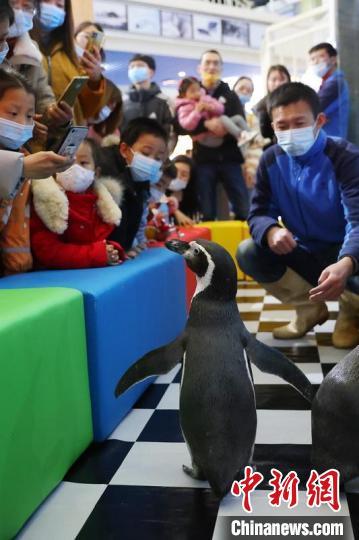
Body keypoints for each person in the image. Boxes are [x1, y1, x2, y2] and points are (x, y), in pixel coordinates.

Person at [236, 82, 359, 349]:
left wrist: (348, 262)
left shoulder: (345, 157)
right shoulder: (270, 160)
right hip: (304, 252)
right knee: (249, 251)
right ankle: (309, 309)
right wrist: (271, 230)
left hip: (345, 254)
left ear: (319, 120)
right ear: (273, 125)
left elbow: (357, 221)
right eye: (282, 125)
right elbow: (258, 213)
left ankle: (352, 310)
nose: (291, 132)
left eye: (299, 122)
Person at [174, 49, 249, 222]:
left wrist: (224, 128)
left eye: (216, 63)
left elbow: (240, 122)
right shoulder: (189, 93)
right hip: (203, 160)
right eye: (207, 62)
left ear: (221, 68)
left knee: (243, 208)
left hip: (231, 158)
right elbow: (179, 125)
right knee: (206, 211)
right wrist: (205, 125)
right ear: (199, 67)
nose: (212, 66)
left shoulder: (230, 95)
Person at [30, 138, 126, 269]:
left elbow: (94, 243)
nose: (74, 167)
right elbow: (48, 251)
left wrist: (110, 249)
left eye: (83, 162)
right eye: (67, 161)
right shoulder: (46, 201)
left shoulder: (99, 205)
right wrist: (98, 253)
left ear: (96, 172)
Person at [97, 117, 168, 255]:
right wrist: (117, 249)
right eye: (146, 153)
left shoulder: (141, 177)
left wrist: (130, 245)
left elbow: (136, 216)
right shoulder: (105, 167)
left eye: (158, 158)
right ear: (124, 149)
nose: (152, 162)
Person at [4, 0, 72, 140]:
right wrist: (19, 123)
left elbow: (44, 99)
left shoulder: (32, 51)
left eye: (27, 7)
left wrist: (57, 116)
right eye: (13, 5)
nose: (19, 12)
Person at [31, 0, 105, 126]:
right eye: (47, 1)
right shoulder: (19, 45)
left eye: (60, 5)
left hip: (66, 140)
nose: (53, 8)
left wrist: (95, 80)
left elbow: (86, 111)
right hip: (26, 138)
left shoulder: (72, 55)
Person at [0, 67, 35, 275]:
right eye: (13, 113)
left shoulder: (26, 158)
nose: (22, 123)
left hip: (15, 273)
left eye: (29, 116)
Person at [175, 76, 248, 148]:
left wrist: (211, 108)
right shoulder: (184, 107)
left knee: (238, 118)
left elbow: (221, 109)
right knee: (223, 118)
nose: (197, 93)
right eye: (192, 91)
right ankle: (240, 136)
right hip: (205, 138)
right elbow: (186, 125)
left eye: (198, 90)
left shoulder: (206, 98)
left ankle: (250, 134)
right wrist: (197, 112)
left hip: (223, 135)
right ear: (184, 94)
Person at [121, 54, 173, 139]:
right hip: (127, 150)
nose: (135, 69)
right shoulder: (123, 101)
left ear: (151, 72)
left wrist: (162, 151)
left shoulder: (164, 101)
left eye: (140, 66)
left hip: (156, 151)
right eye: (131, 67)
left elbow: (170, 131)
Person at [309, 42, 349, 139]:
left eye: (321, 56)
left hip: (333, 139)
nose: (316, 62)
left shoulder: (335, 82)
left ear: (333, 59)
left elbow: (312, 108)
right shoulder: (327, 82)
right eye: (313, 59)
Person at [254, 65, 291, 147]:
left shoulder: (296, 103)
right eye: (273, 80)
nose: (278, 83)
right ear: (267, 82)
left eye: (282, 79)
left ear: (288, 80)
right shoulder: (260, 107)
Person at [168, 155, 200, 223]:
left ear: (190, 179)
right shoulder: (159, 193)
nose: (178, 176)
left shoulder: (193, 198)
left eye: (184, 175)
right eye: (175, 172)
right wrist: (175, 211)